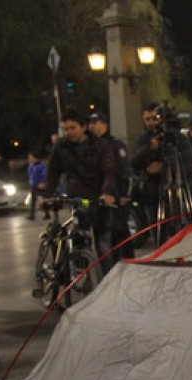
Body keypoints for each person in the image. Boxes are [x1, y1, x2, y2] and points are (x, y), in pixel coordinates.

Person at [40, 109, 118, 274]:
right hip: (77, 195)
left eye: (72, 128)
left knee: (104, 242)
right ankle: (77, 264)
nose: (69, 132)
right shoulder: (60, 147)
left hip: (98, 196)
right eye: (65, 129)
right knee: (78, 231)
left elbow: (109, 171)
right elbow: (53, 172)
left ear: (83, 127)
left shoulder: (102, 146)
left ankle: (108, 279)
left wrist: (107, 193)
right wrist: (47, 195)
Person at [88, 111, 135, 260]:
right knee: (103, 240)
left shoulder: (114, 145)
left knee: (120, 235)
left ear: (105, 125)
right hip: (99, 198)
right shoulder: (91, 147)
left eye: (96, 123)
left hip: (116, 198)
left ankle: (128, 266)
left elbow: (125, 171)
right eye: (91, 123)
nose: (92, 127)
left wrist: (124, 194)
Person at [130, 103, 163, 230]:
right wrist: (148, 148)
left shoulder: (174, 139)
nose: (151, 123)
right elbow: (133, 161)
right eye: (147, 119)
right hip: (151, 193)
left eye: (154, 118)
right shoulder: (143, 140)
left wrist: (163, 166)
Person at [26, 151, 48, 221]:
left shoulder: (41, 166)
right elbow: (30, 174)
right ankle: (32, 215)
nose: (30, 158)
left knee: (42, 200)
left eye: (31, 157)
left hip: (39, 184)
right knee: (33, 200)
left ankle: (47, 213)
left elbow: (45, 174)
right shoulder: (31, 165)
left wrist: (43, 182)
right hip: (33, 184)